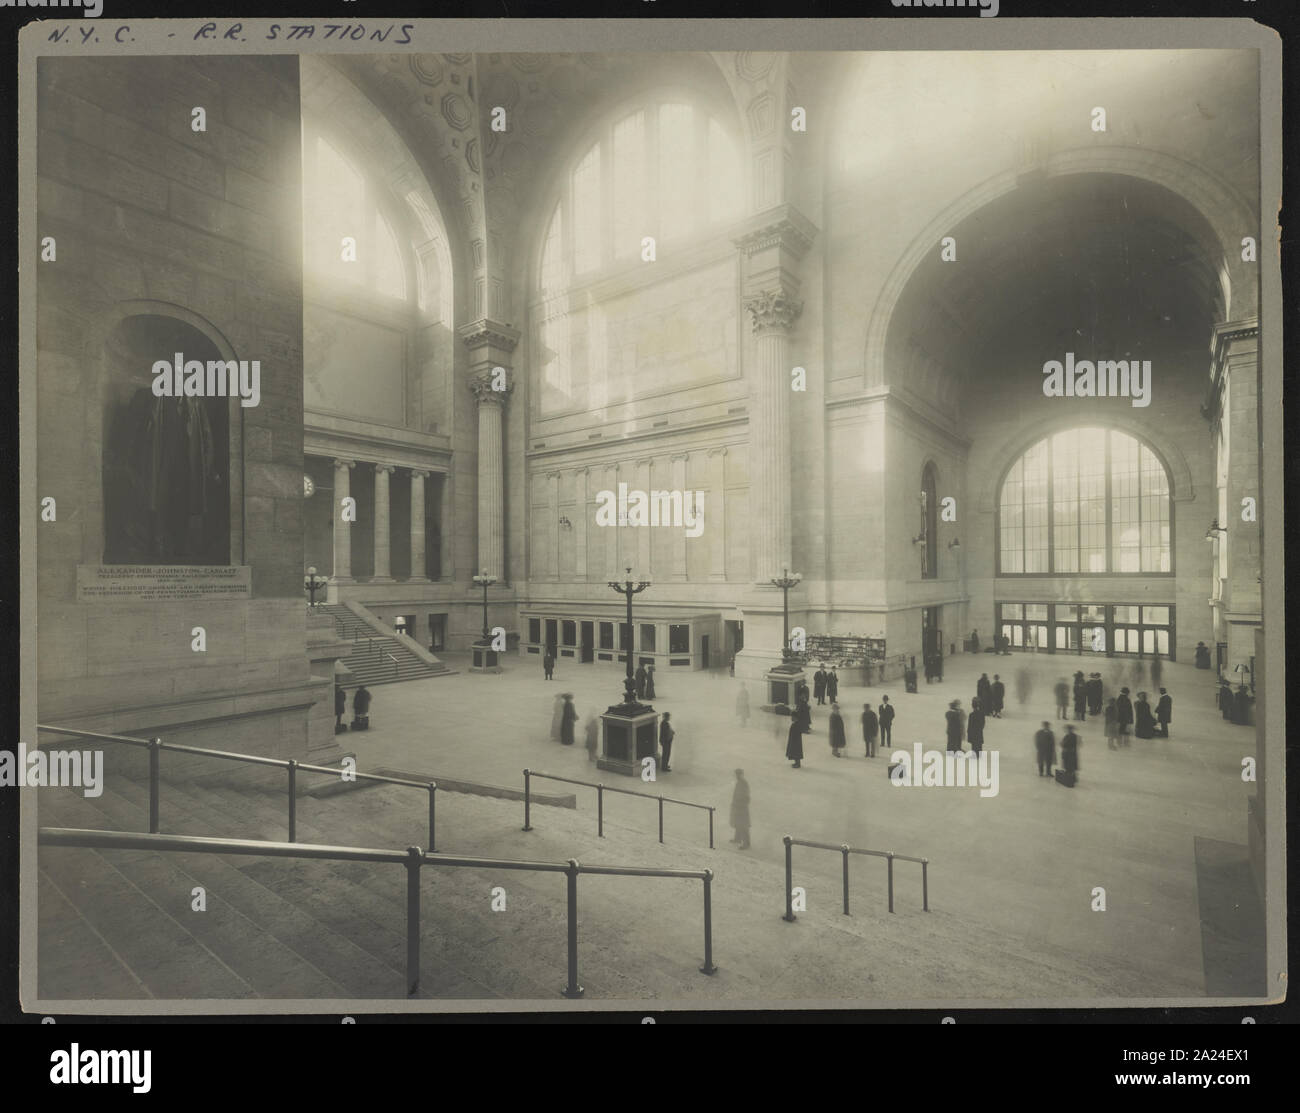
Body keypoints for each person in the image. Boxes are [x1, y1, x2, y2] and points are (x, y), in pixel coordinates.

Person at [729, 769, 751, 849]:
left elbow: (746, 796)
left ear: (741, 774)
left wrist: (741, 804)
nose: (737, 776)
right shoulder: (739, 783)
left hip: (742, 807)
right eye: (736, 774)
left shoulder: (744, 783)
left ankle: (746, 843)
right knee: (738, 823)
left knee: (743, 825)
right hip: (737, 806)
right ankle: (737, 838)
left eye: (738, 774)